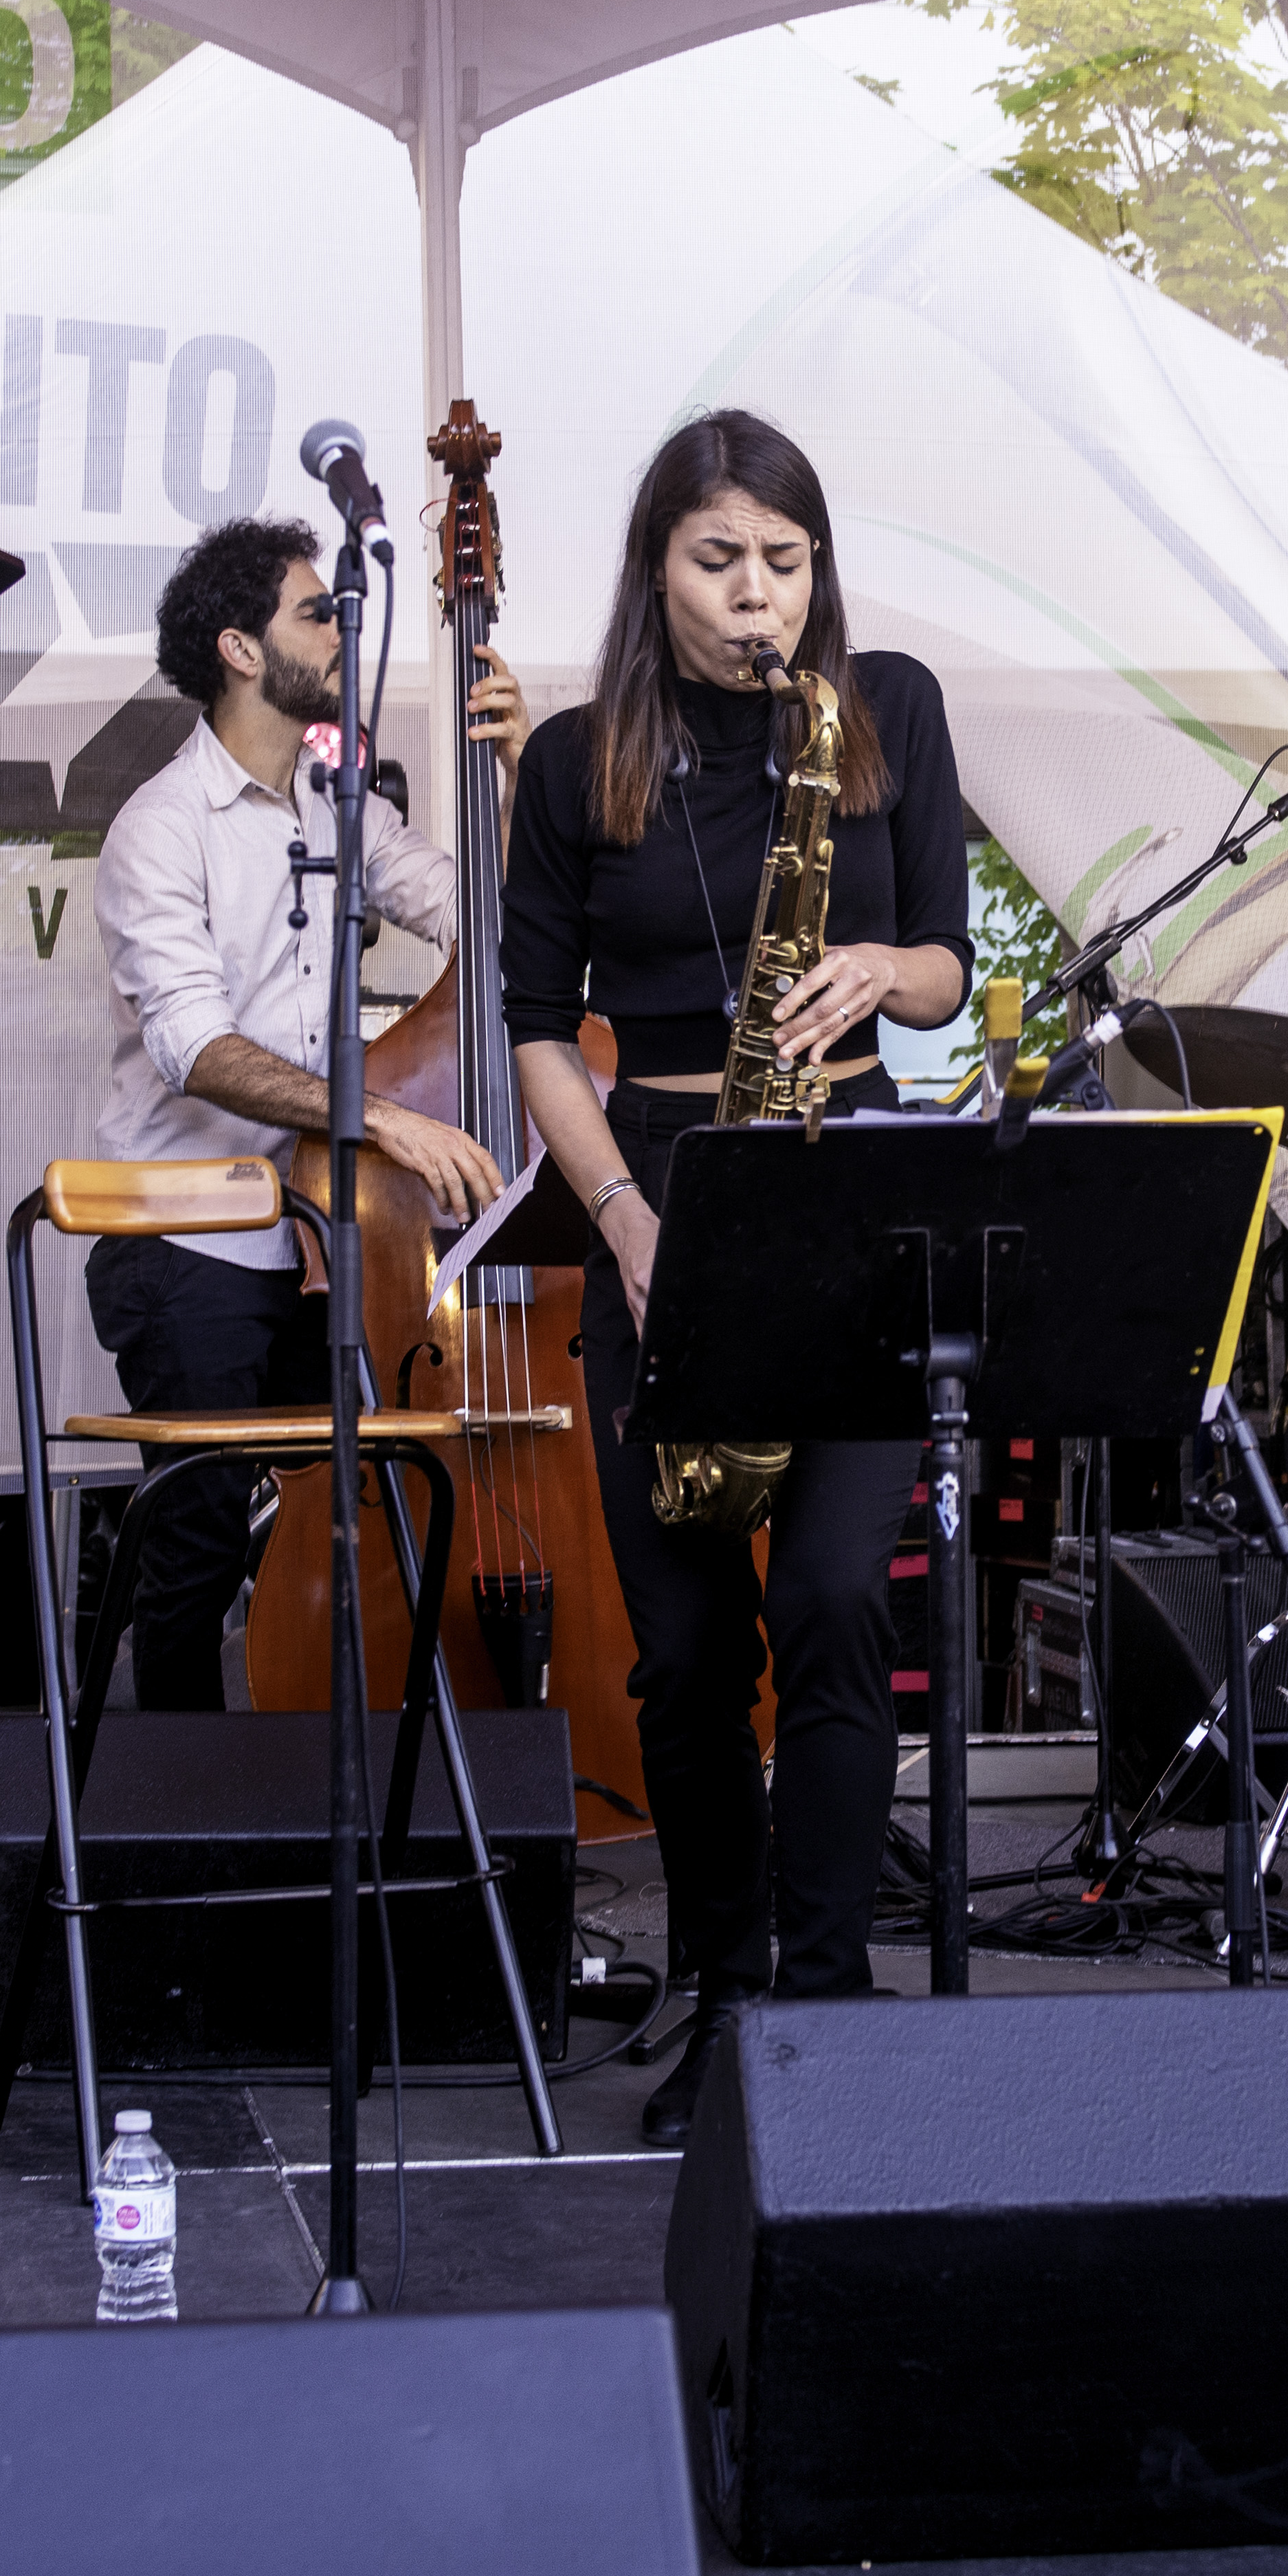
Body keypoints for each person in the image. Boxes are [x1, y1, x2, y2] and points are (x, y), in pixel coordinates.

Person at [501, 412, 971, 2145]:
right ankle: (720, 1982)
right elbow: (534, 1029)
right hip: (664, 1196)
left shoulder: (884, 708)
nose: (758, 592)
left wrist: (878, 964)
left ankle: (828, 2000)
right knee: (688, 1650)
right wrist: (622, 1215)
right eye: (720, 559)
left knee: (839, 1601)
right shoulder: (574, 759)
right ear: (653, 568)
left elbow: (947, 963)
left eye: (785, 558)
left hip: (844, 1198)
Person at [82, 515, 505, 1708]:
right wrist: (377, 1115)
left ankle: (349, 1792)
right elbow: (193, 1048)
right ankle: (178, 1829)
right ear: (240, 649)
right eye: (316, 612)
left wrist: (521, 772)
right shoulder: (158, 829)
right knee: (198, 1546)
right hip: (188, 1239)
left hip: (323, 1236)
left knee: (367, 1512)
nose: (340, 629)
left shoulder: (341, 807)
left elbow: (487, 921)